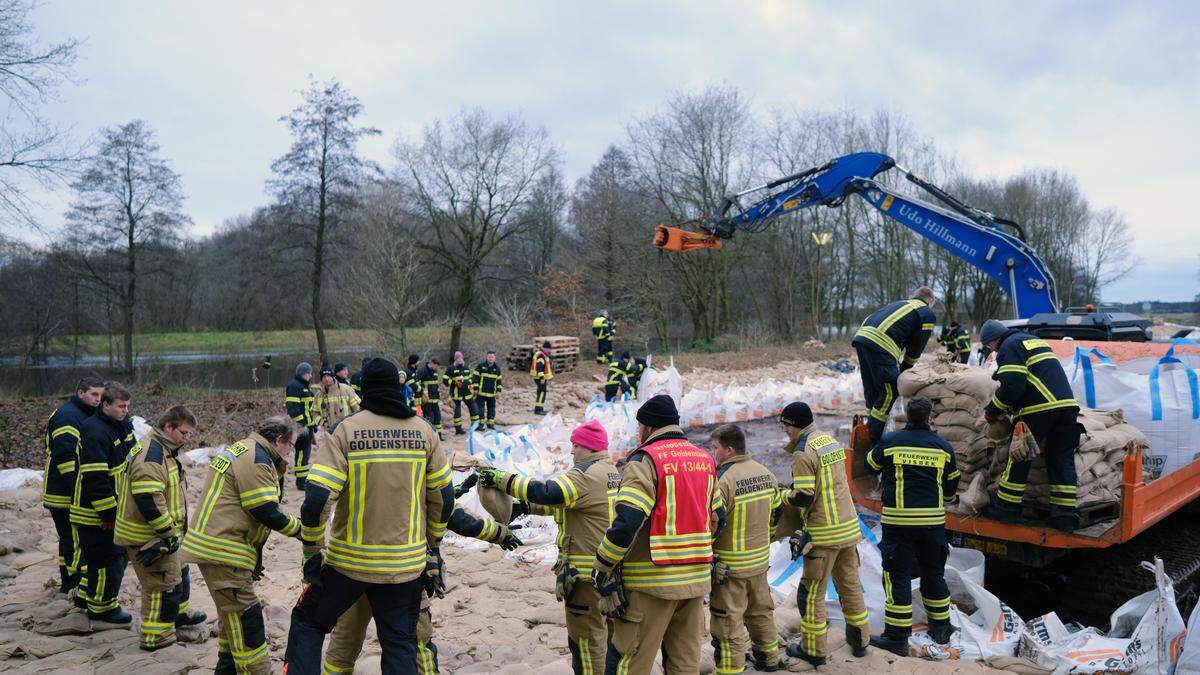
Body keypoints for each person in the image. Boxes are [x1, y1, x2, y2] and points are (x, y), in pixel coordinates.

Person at [286, 357, 455, 674]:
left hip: (348, 565)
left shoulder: (345, 432)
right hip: (404, 568)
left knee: (308, 622)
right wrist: (433, 547)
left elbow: (316, 500)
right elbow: (444, 499)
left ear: (362, 390)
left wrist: (311, 551)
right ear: (399, 387)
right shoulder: (425, 432)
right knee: (400, 645)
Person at [591, 394, 726, 674]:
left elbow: (628, 521)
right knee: (684, 662)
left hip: (652, 585)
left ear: (649, 427)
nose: (638, 435)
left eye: (639, 428)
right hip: (696, 583)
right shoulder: (704, 460)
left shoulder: (646, 459)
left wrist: (603, 564)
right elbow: (719, 517)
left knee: (628, 661)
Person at [479, 419, 620, 674]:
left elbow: (547, 492)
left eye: (575, 446)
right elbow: (569, 504)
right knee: (609, 637)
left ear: (588, 447)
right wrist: (523, 508)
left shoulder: (585, 475)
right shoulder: (611, 472)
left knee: (586, 642)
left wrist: (503, 480)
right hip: (609, 574)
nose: (571, 451)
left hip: (585, 577)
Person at [322, 505, 521, 675]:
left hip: (352, 566)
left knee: (344, 643)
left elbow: (319, 499)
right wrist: (497, 532)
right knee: (416, 641)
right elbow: (446, 508)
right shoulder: (414, 463)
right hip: (400, 570)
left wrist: (312, 554)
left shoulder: (353, 459)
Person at [180, 416, 302, 674]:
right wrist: (302, 530)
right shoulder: (256, 459)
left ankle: (226, 668)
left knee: (229, 619)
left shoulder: (244, 448)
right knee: (247, 618)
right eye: (291, 445)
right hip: (224, 551)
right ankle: (255, 670)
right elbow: (264, 509)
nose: (292, 451)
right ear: (279, 441)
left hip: (215, 546)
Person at [865, 397, 960, 656]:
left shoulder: (892, 442)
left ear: (907, 416)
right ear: (930, 417)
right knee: (933, 573)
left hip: (899, 523)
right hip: (932, 524)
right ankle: (941, 628)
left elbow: (870, 465)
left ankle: (896, 638)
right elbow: (951, 488)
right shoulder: (943, 447)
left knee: (898, 576)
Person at [780, 401, 869, 666]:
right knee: (850, 586)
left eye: (785, 425)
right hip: (848, 529)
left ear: (794, 424)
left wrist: (782, 496)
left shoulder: (802, 451)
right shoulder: (828, 441)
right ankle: (860, 641)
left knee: (811, 593)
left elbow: (804, 496)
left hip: (823, 535)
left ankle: (813, 649)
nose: (784, 430)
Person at [114, 405, 207, 650]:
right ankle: (156, 636)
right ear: (168, 427)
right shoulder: (152, 455)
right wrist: (168, 533)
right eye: (184, 433)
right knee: (161, 585)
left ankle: (177, 616)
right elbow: (149, 499)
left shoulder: (164, 449)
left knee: (179, 575)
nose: (188, 439)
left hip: (165, 532)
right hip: (149, 535)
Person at [980, 319, 1082, 530]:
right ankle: (1063, 516)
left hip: (1038, 410)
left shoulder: (1008, 347)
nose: (989, 349)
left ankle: (1006, 509)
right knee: (1060, 458)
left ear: (992, 341)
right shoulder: (1032, 341)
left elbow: (1013, 386)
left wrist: (992, 409)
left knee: (1019, 455)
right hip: (1067, 406)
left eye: (988, 346)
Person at [708, 424, 785, 673]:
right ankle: (769, 660)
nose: (713, 454)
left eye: (715, 448)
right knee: (761, 613)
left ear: (729, 450)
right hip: (760, 563)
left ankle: (730, 669)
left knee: (727, 622)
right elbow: (777, 513)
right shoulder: (766, 473)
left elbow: (713, 522)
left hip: (730, 568)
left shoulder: (723, 480)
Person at [71, 382, 138, 624]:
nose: (125, 411)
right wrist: (108, 515)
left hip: (111, 506)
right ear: (106, 405)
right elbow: (96, 479)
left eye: (128, 406)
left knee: (97, 559)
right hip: (94, 512)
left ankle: (84, 596)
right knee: (109, 559)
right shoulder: (95, 431)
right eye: (121, 406)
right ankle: (102, 609)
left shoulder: (120, 426)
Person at [42, 375, 103, 605]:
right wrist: (82, 491)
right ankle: (73, 585)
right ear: (80, 393)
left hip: (67, 491)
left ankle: (67, 582)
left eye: (101, 395)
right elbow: (66, 459)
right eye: (94, 394)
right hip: (64, 493)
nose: (98, 399)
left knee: (68, 539)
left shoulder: (82, 413)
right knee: (73, 540)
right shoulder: (68, 416)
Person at [852, 287, 937, 447]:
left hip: (862, 338)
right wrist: (904, 374)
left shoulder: (902, 304)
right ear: (930, 301)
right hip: (881, 343)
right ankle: (874, 440)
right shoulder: (926, 312)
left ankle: (866, 429)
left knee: (873, 390)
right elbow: (915, 348)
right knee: (890, 391)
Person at [285, 362, 319, 489]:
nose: (310, 376)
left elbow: (308, 409)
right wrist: (302, 425)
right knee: (301, 455)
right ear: (304, 373)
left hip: (308, 427)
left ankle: (303, 479)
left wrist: (313, 425)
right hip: (301, 428)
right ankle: (300, 482)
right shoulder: (294, 386)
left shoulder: (305, 386)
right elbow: (292, 409)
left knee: (306, 455)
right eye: (309, 373)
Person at [443, 351, 479, 434]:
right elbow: (445, 380)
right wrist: (454, 383)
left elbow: (470, 378)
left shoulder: (466, 367)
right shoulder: (451, 368)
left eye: (461, 358)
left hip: (467, 393)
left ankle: (476, 426)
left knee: (474, 409)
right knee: (457, 412)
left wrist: (470, 385)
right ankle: (458, 429)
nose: (460, 360)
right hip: (456, 394)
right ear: (455, 360)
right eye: (458, 358)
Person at [472, 351, 503, 430]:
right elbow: (475, 378)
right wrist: (475, 389)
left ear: (494, 358)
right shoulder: (480, 366)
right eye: (489, 357)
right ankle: (480, 424)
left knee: (491, 409)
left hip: (492, 394)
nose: (490, 359)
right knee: (480, 409)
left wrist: (499, 391)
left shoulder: (497, 368)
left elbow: (499, 381)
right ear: (487, 357)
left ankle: (490, 424)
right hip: (481, 393)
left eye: (492, 357)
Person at [416, 358, 444, 437]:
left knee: (437, 417)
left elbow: (435, 385)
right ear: (431, 363)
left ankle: (438, 436)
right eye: (436, 366)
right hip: (427, 401)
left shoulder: (434, 372)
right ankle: (430, 436)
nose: (436, 368)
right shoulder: (422, 371)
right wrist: (422, 394)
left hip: (435, 399)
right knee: (430, 419)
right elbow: (417, 384)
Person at [531, 341, 553, 415]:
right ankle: (538, 410)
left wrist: (548, 378)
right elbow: (539, 367)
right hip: (539, 378)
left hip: (540, 377)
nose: (550, 351)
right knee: (541, 393)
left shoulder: (542, 354)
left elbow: (545, 368)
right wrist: (542, 378)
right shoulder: (541, 355)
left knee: (541, 392)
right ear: (545, 348)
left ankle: (539, 408)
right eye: (549, 349)